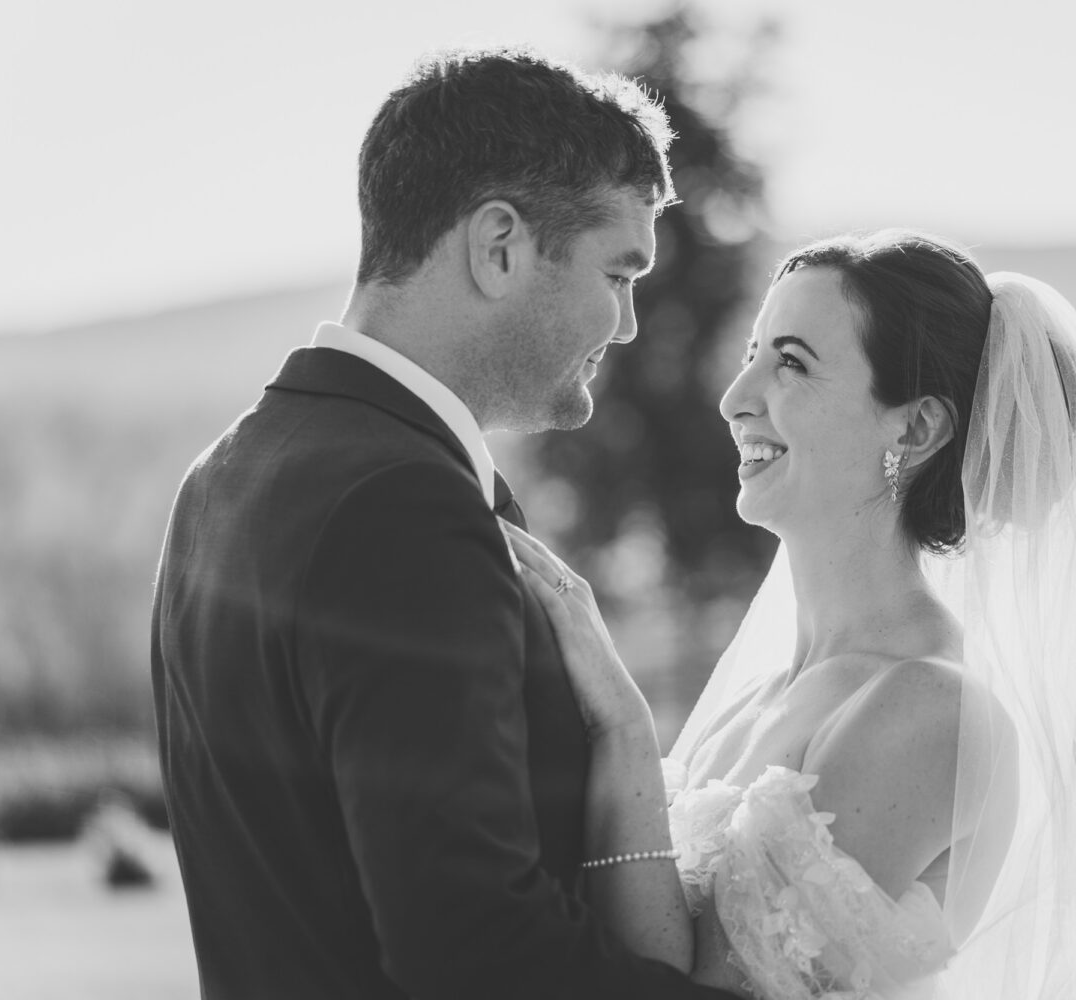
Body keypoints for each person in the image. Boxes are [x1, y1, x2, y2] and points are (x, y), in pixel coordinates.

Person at [151, 48, 741, 1000]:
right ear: (499, 245)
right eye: (618, 273)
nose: (627, 325)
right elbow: (475, 949)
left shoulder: (226, 474)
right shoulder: (399, 505)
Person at [506, 230, 1076, 998]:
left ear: (915, 427)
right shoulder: (759, 691)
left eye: (792, 364)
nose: (736, 400)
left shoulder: (933, 710)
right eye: (752, 354)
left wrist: (624, 730)